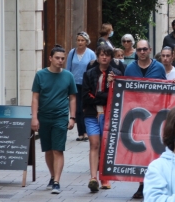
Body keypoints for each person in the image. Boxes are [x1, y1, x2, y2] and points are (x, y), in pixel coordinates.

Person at [31, 45, 77, 195]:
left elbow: (72, 98)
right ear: (50, 58)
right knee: (48, 149)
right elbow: (35, 98)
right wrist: (34, 118)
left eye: (62, 58)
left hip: (60, 117)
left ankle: (56, 181)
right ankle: (52, 175)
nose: (60, 61)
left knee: (58, 149)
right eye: (57, 58)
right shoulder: (40, 75)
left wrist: (72, 117)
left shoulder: (68, 76)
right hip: (44, 116)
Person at [125, 39, 167, 199]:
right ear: (136, 51)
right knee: (140, 153)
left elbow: (165, 90)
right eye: (139, 50)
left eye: (144, 49)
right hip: (136, 118)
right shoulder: (130, 69)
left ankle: (154, 184)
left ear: (150, 49)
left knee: (154, 152)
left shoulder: (158, 67)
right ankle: (142, 185)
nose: (142, 52)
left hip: (155, 116)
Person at [82, 44, 122, 192]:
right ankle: (93, 177)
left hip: (109, 115)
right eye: (101, 54)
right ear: (97, 57)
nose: (104, 57)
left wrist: (110, 86)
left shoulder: (116, 73)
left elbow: (117, 96)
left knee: (105, 146)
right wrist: (102, 97)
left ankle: (104, 177)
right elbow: (85, 97)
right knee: (94, 144)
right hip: (92, 114)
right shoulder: (89, 74)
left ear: (111, 57)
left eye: (107, 54)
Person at [65, 31, 96, 142]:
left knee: (85, 108)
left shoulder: (91, 54)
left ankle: (87, 132)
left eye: (82, 40)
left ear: (86, 42)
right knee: (76, 109)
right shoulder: (72, 53)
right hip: (74, 84)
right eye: (78, 40)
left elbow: (94, 69)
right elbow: (68, 69)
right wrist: (66, 83)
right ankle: (80, 133)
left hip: (86, 85)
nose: (80, 42)